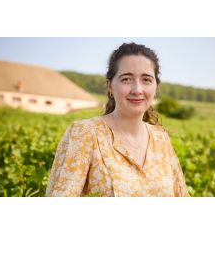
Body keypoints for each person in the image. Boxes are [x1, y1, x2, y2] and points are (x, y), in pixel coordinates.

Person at [46, 42, 189, 197]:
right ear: (109, 86)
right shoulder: (85, 134)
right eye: (126, 79)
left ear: (155, 86)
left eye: (146, 80)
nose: (137, 90)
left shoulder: (161, 138)